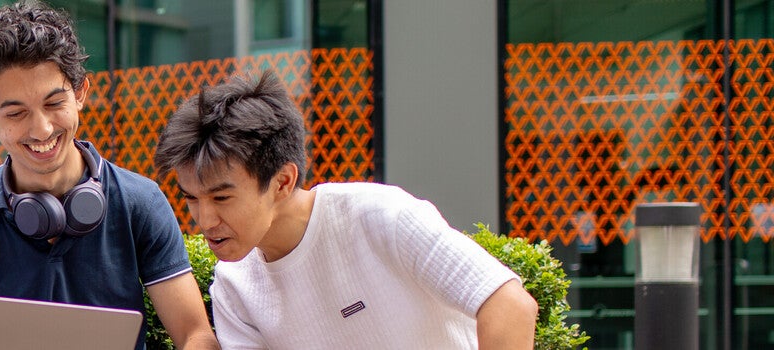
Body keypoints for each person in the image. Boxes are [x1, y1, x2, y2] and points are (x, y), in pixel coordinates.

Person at [152, 71, 539, 349]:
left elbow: (508, 303)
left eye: (221, 198)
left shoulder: (382, 217)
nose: (203, 221)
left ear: (283, 182)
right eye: (191, 198)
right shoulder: (234, 285)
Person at [0, 3, 218, 350]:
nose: (42, 128)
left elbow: (195, 335)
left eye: (54, 103)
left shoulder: (140, 200)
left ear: (80, 94)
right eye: (17, 112)